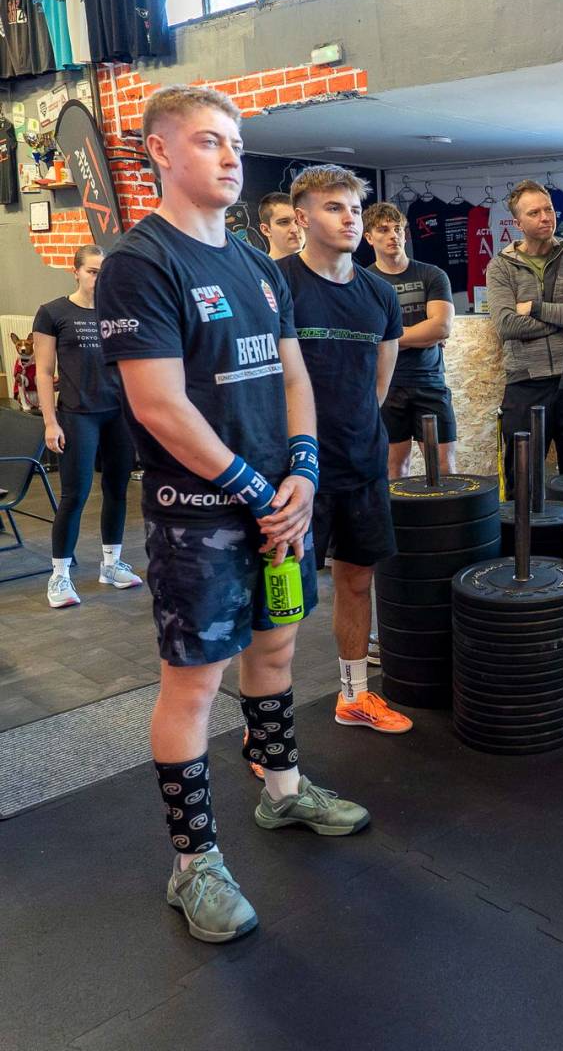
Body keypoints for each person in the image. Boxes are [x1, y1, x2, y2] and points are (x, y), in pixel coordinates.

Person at [99, 86, 370, 945]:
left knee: (278, 651)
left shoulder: (259, 265)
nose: (230, 158)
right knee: (194, 684)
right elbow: (159, 405)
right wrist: (258, 491)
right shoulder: (141, 262)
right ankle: (193, 864)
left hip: (279, 509)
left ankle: (282, 791)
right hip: (199, 519)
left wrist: (304, 472)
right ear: (160, 152)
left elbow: (293, 375)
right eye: (209, 141)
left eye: (237, 144)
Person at [279, 164, 411, 735]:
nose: (350, 219)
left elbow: (378, 385)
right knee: (281, 600)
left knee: (356, 582)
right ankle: (265, 725)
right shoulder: (275, 283)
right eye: (334, 208)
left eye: (354, 209)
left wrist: (354, 433)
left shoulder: (378, 294)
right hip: (291, 471)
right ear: (302, 218)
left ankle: (354, 695)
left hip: (361, 464)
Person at [34, 243, 142, 608]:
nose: (99, 278)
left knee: (117, 490)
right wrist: (50, 422)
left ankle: (111, 565)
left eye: (104, 272)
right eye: (93, 271)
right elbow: (44, 372)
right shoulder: (53, 312)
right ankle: (60, 575)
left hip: (118, 414)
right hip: (78, 415)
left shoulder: (119, 311)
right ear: (76, 271)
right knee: (75, 495)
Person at [486, 180, 563, 492]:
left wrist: (535, 308)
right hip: (525, 383)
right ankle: (523, 526)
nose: (545, 217)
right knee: (522, 478)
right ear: (518, 223)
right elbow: (507, 325)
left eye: (548, 209)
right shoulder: (500, 267)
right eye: (534, 213)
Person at [364, 201, 457, 477]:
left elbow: (440, 327)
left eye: (398, 229)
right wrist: (420, 334)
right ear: (369, 237)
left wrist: (390, 337)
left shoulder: (432, 274)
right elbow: (368, 336)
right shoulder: (364, 281)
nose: (393, 235)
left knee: (443, 469)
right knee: (395, 469)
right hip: (387, 385)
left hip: (430, 382)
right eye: (383, 230)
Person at [257, 191, 303, 260]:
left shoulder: (318, 265)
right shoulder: (258, 267)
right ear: (266, 230)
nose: (295, 229)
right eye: (284, 222)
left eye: (298, 221)